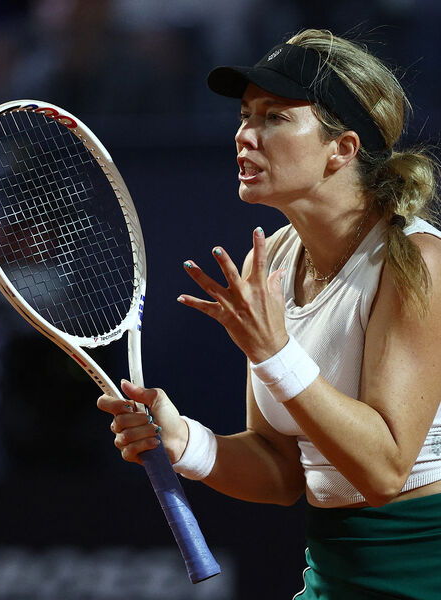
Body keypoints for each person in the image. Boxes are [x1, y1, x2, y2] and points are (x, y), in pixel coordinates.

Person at [97, 29, 441, 599]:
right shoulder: (276, 257)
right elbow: (281, 470)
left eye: (275, 117)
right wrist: (185, 442)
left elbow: (384, 471)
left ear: (342, 149)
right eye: (244, 115)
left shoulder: (417, 260)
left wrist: (275, 352)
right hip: (332, 576)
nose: (244, 135)